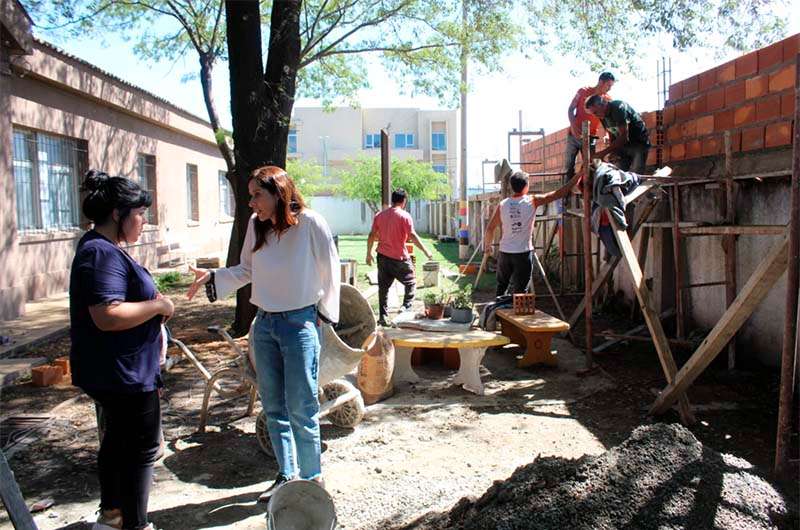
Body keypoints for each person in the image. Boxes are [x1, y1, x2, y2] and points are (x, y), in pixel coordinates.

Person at [186, 166, 339, 502]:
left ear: (278, 193)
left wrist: (323, 316)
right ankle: (286, 476)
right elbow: (246, 270)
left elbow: (331, 269)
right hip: (265, 324)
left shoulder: (310, 223)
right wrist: (213, 276)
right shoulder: (256, 227)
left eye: (257, 194)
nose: (250, 202)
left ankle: (312, 481)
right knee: (273, 407)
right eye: (250, 195)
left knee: (301, 406)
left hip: (299, 324)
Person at [69, 170, 173, 530]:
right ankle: (135, 523)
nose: (144, 221)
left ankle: (112, 516)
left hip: (122, 370)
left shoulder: (102, 249)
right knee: (141, 449)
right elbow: (107, 314)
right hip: (123, 374)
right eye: (140, 213)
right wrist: (159, 307)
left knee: (116, 442)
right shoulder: (101, 252)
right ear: (118, 214)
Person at [483, 170, 580, 298]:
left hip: (505, 254)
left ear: (512, 187)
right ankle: (517, 316)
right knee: (520, 293)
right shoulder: (532, 200)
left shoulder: (503, 204)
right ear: (526, 186)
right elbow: (559, 193)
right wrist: (578, 175)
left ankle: (497, 315)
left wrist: (488, 247)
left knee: (502, 287)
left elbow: (490, 228)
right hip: (522, 254)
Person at [366, 188, 433, 326]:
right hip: (399, 258)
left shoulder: (380, 215)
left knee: (383, 288)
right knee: (411, 282)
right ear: (404, 201)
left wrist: (368, 254)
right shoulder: (405, 216)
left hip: (382, 257)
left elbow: (371, 234)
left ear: (392, 200)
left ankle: (383, 317)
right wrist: (426, 251)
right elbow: (412, 236)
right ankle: (405, 307)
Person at [564, 72, 615, 180]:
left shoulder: (607, 99)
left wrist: (606, 134)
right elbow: (570, 109)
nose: (610, 88)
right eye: (608, 85)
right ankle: (566, 195)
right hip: (573, 136)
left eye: (611, 86)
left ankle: (589, 194)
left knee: (590, 166)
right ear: (601, 82)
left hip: (590, 137)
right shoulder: (583, 91)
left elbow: (607, 120)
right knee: (568, 168)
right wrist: (573, 126)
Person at [585, 95, 651, 173]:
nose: (595, 115)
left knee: (636, 175)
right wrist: (613, 152)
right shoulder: (602, 116)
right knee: (618, 176)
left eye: (595, 112)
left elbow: (624, 137)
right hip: (624, 147)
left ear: (603, 104)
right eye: (593, 113)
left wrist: (603, 153)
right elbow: (611, 134)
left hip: (638, 144)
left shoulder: (618, 108)